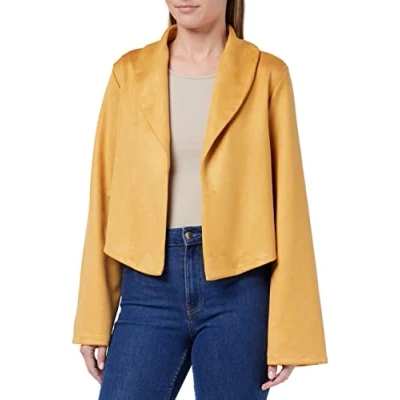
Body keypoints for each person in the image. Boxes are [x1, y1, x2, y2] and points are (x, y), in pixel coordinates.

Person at [72, 1, 328, 398]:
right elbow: (104, 195)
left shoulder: (267, 75)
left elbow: (289, 203)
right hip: (147, 289)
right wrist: (93, 317)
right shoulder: (129, 73)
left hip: (240, 290)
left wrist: (289, 331)